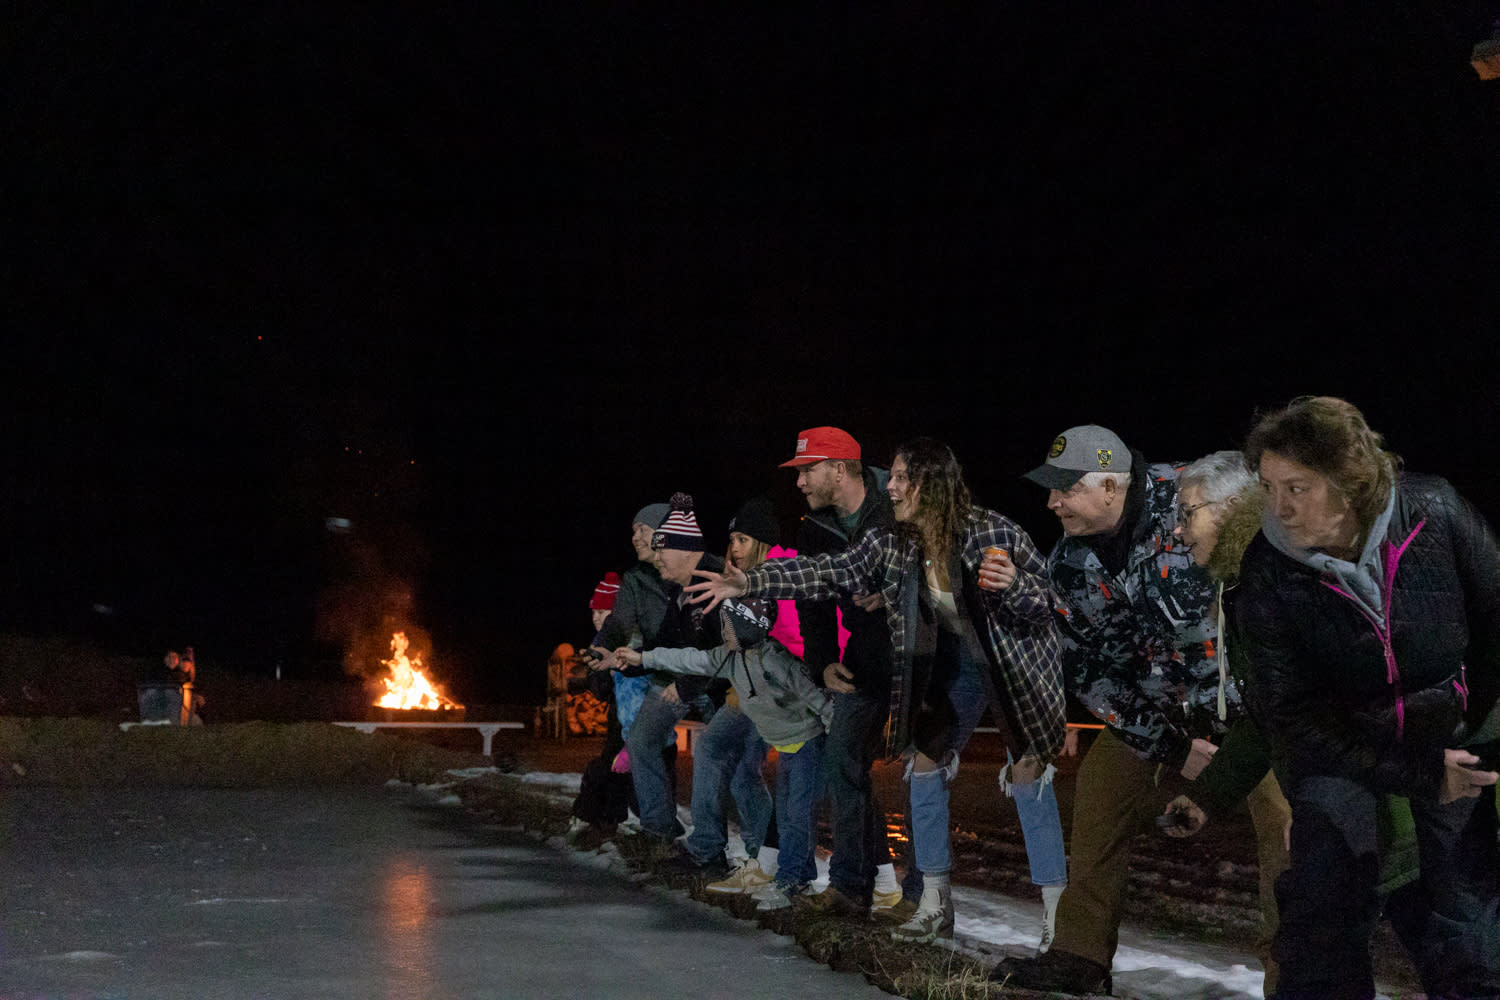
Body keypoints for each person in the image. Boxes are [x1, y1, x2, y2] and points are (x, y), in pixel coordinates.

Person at [688, 437, 1067, 946]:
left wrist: (1017, 587)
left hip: (1011, 663)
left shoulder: (993, 531)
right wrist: (753, 583)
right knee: (925, 764)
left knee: (1028, 770)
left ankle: (1058, 919)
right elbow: (829, 572)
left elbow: (1054, 609)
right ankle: (932, 903)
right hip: (952, 663)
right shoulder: (896, 541)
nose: (888, 485)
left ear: (929, 484)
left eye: (900, 477)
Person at [994, 425, 1279, 995]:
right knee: (1100, 794)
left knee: (1287, 824)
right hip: (1164, 721)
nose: (1051, 503)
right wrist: (1173, 746)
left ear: (1108, 485)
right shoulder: (1069, 565)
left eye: (1064, 489)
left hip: (1259, 715)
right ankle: (1080, 955)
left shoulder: (1201, 499)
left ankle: (1294, 974)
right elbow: (1088, 671)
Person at [1235, 396, 1500, 1000]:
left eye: (1297, 486)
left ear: (1348, 481)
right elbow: (1293, 715)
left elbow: (1497, 620)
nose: (1278, 507)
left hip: (1449, 733)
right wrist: (1413, 773)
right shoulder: (1267, 571)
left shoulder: (1435, 511)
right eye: (1269, 486)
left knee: (1468, 906)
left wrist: (1484, 734)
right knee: (1325, 894)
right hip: (1339, 748)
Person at [1155, 450, 1294, 993]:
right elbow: (1268, 712)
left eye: (1189, 513)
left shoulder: (1278, 578)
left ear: (1234, 506)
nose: (1181, 531)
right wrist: (1207, 797)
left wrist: (1324, 796)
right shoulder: (1240, 581)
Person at [608, 594, 831, 909]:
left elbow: (814, 694)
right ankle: (792, 876)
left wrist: (836, 733)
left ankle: (792, 882)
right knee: (786, 817)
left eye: (728, 625)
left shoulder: (774, 660)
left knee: (796, 817)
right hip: (787, 747)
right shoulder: (730, 658)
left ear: (746, 627)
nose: (723, 631)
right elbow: (688, 659)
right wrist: (643, 659)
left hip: (809, 744)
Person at [771, 426, 905, 917]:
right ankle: (850, 888)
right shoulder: (814, 529)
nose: (800, 481)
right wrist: (822, 661)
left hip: (922, 651)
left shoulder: (897, 505)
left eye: (808, 470)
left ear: (841, 469)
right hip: (865, 653)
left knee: (927, 769)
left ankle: (922, 897)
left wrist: (891, 593)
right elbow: (813, 602)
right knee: (843, 762)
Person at [657, 498, 780, 883]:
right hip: (744, 688)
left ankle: (714, 850)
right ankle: (762, 860)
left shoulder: (762, 579)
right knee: (744, 772)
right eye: (733, 540)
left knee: (713, 749)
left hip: (765, 690)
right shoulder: (727, 580)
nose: (735, 547)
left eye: (743, 539)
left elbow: (748, 643)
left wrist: (723, 683)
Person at [622, 493, 726, 850]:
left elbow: (722, 654)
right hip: (676, 675)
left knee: (724, 758)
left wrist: (686, 686)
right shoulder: (666, 581)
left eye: (643, 530)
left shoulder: (713, 579)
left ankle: (744, 851)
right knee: (641, 739)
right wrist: (632, 660)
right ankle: (659, 827)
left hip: (716, 683)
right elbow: (669, 637)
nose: (636, 538)